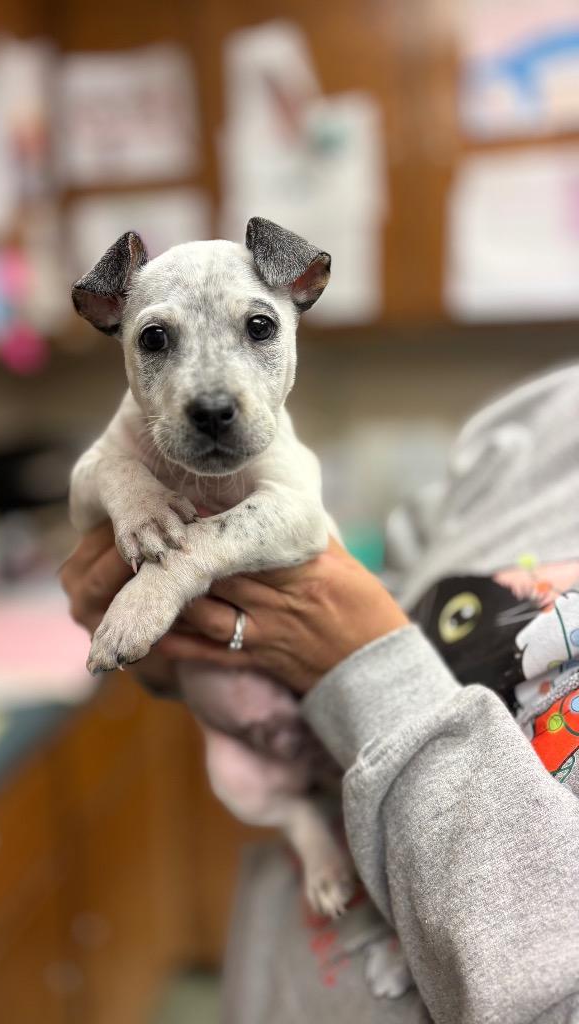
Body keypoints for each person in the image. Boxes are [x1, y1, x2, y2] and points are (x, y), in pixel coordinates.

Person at [61, 363, 579, 1023]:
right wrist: (182, 650)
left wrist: (352, 657)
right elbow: (360, 604)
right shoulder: (541, 416)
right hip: (277, 973)